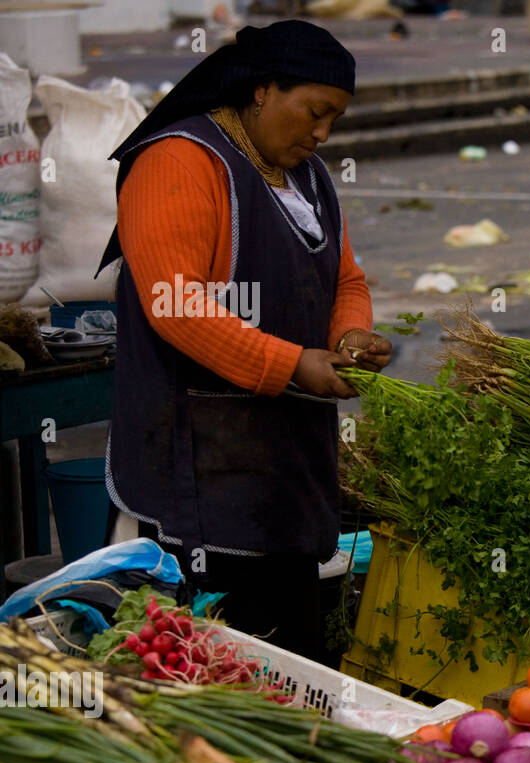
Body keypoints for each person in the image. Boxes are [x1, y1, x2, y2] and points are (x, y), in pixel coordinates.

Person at [96, 20, 391, 662]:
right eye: (314, 112)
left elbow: (344, 276)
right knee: (216, 673)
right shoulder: (178, 162)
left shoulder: (307, 176)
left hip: (283, 477)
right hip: (197, 486)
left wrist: (351, 334)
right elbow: (178, 308)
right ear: (262, 90)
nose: (322, 135)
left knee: (294, 669)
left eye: (333, 120)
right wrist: (292, 364)